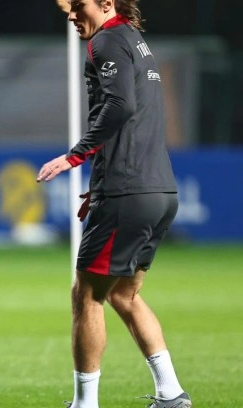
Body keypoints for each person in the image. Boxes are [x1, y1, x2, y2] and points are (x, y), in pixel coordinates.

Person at [37, 1, 190, 408]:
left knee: (86, 295)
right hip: (159, 190)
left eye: (77, 6)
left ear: (106, 3)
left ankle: (84, 403)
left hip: (128, 191)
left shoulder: (105, 41)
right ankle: (171, 393)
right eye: (65, 7)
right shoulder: (133, 39)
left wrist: (75, 156)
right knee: (124, 294)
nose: (70, 14)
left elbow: (121, 106)